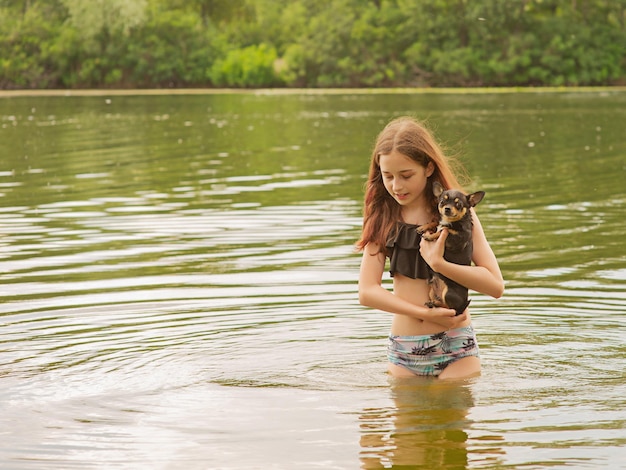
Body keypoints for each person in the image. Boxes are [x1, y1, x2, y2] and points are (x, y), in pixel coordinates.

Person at [357, 116, 504, 380]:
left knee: (447, 415)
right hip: (405, 350)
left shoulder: (459, 215)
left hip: (457, 347)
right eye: (387, 176)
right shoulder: (381, 216)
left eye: (406, 175)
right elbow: (367, 292)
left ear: (428, 168)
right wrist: (425, 313)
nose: (396, 186)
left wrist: (440, 264)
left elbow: (495, 285)